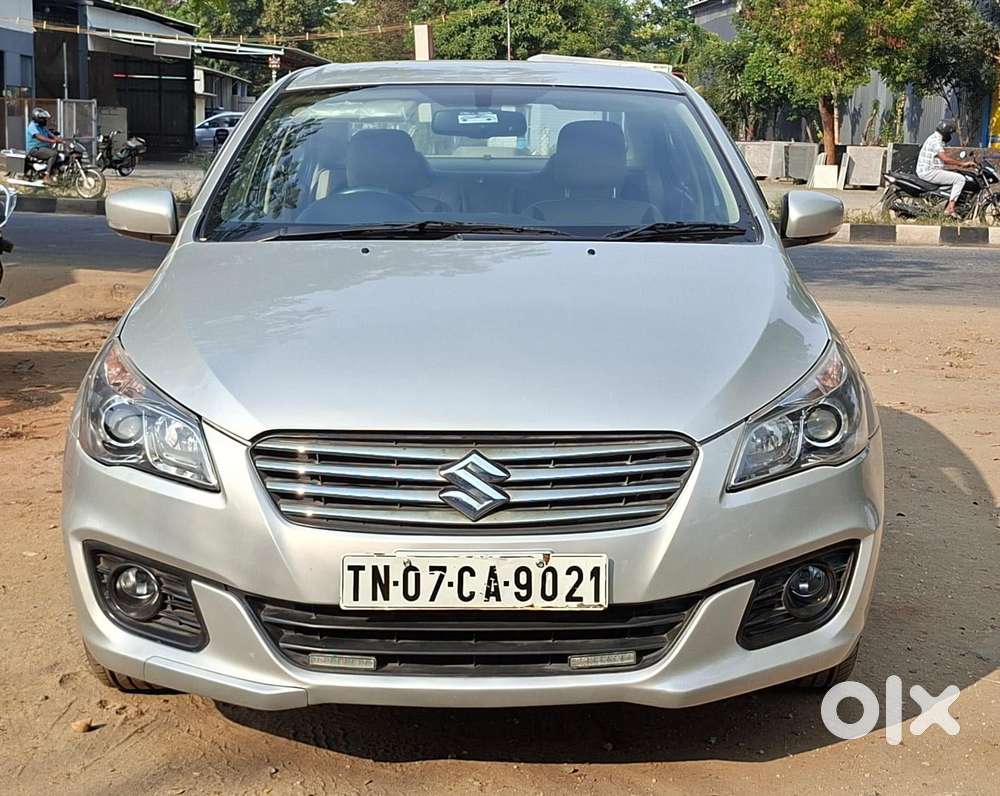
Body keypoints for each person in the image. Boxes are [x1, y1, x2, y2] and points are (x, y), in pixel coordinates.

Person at [916, 119, 971, 217]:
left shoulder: (934, 138)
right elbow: (944, 158)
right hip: (929, 172)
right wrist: (961, 164)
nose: (950, 136)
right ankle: (950, 208)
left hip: (929, 170)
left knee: (954, 174)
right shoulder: (936, 141)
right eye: (951, 133)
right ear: (947, 132)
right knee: (960, 179)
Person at [25, 108, 62, 183]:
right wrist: (52, 141)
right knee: (53, 154)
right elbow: (39, 136)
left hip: (43, 148)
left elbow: (51, 134)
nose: (45, 120)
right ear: (37, 118)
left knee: (61, 154)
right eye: (43, 118)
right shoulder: (32, 126)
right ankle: (47, 176)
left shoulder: (42, 127)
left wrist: (60, 140)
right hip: (35, 149)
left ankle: (55, 174)